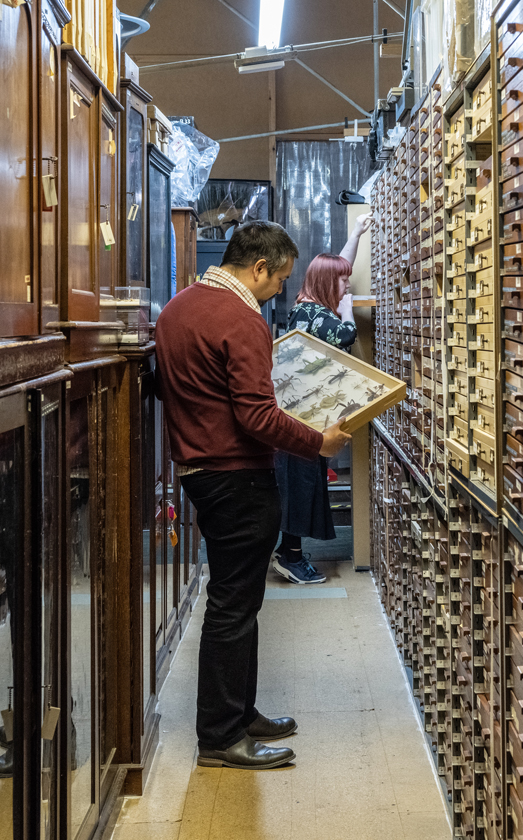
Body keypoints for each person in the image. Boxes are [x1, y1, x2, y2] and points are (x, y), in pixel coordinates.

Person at [155, 221, 350, 771]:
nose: (279, 291)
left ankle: (240, 714)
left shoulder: (177, 308)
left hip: (200, 472)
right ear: (258, 267)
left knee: (239, 601)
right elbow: (256, 415)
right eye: (279, 279)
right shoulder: (240, 319)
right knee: (232, 607)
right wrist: (319, 442)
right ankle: (220, 737)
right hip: (237, 477)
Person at [271, 213, 371, 585]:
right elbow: (344, 336)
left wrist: (357, 232)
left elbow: (337, 266)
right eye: (343, 282)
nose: (348, 285)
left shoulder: (309, 306)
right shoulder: (311, 315)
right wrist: (347, 312)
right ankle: (290, 556)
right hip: (298, 419)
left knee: (304, 484)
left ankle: (291, 552)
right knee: (299, 487)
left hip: (303, 415)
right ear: (330, 284)